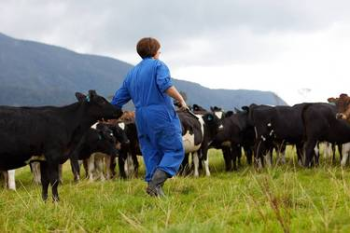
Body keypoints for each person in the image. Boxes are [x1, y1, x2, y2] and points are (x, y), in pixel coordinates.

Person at [111, 37, 188, 197]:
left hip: (140, 116)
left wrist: (110, 116)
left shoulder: (132, 73)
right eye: (159, 50)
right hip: (160, 113)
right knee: (174, 149)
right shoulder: (158, 65)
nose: (160, 52)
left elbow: (117, 100)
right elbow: (165, 84)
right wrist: (180, 99)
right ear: (154, 51)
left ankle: (154, 192)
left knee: (150, 150)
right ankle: (155, 184)